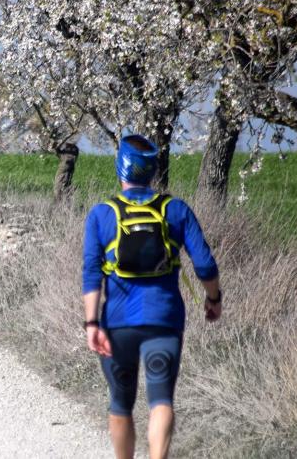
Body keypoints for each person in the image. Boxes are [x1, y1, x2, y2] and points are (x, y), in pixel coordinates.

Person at [81, 134, 222, 459]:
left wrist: (91, 323)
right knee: (161, 400)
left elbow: (91, 272)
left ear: (120, 169)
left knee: (120, 401)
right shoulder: (176, 210)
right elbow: (204, 263)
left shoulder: (101, 214)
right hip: (164, 321)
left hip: (117, 325)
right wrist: (213, 299)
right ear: (153, 171)